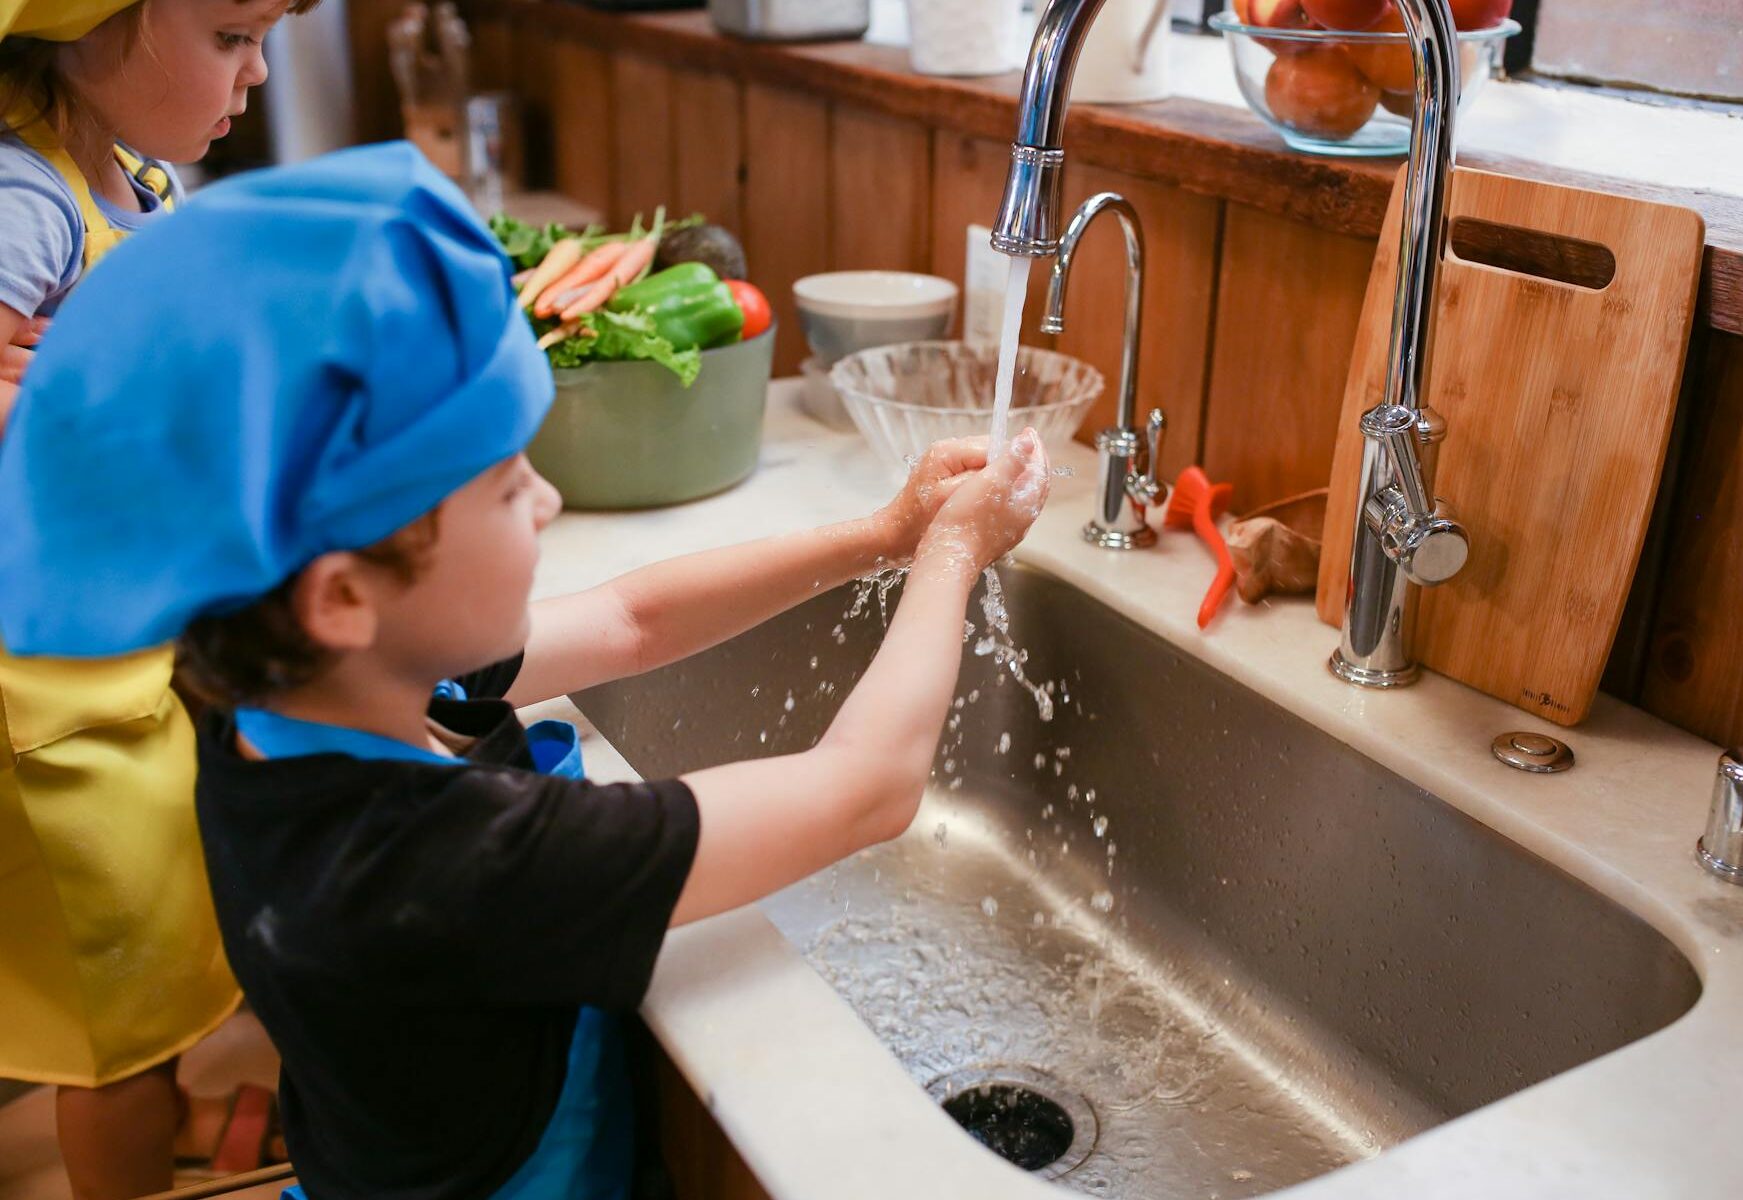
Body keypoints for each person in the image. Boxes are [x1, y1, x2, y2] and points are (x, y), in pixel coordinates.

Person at [0, 141, 1052, 1199]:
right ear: (342, 592)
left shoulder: (288, 692)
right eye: (506, 485)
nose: (546, 501)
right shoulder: (441, 861)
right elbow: (863, 790)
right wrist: (954, 555)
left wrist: (886, 531)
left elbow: (628, 618)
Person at [0, 0, 307, 1193]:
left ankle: (157, 1109)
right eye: (231, 34)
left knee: (153, 942)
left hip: (125, 655)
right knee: (107, 1015)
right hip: (52, 696)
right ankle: (119, 1148)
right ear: (85, 26)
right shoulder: (24, 201)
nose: (259, 72)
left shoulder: (124, 171)